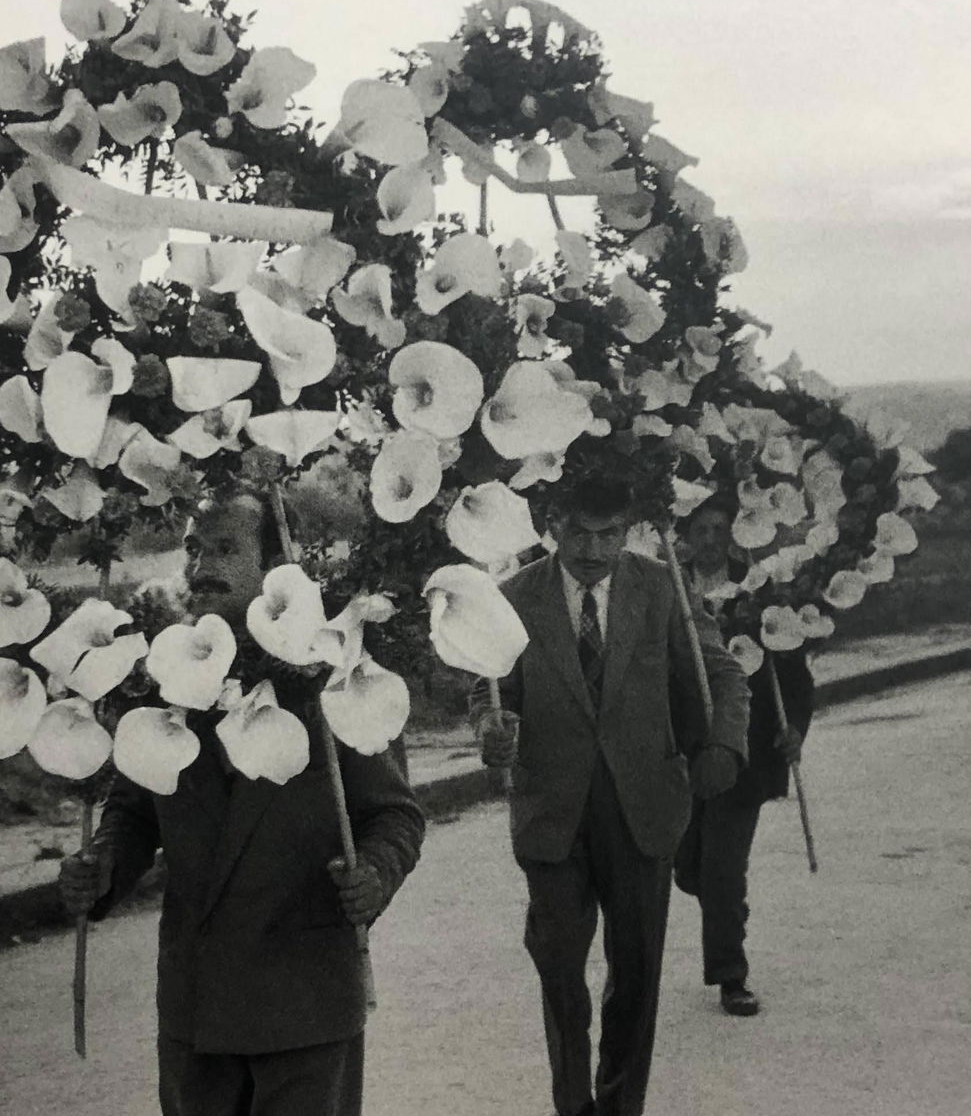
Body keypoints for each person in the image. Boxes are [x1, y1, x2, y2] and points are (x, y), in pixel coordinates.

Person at [59, 492, 425, 1116]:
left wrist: (374, 874)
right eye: (194, 549)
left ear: (274, 567)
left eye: (226, 548)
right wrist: (102, 867)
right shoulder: (167, 677)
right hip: (197, 1006)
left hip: (305, 1001)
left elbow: (395, 814)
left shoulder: (331, 673)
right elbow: (133, 811)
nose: (202, 566)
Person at [477, 478, 751, 1116]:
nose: (595, 550)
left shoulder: (662, 588)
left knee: (636, 973)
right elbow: (492, 693)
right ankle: (572, 1105)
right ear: (553, 523)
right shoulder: (513, 598)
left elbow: (722, 673)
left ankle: (621, 1105)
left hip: (643, 812)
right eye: (580, 532)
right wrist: (492, 729)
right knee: (558, 969)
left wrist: (723, 744)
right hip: (552, 815)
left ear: (630, 529)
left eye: (611, 534)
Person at [671, 500, 815, 1018]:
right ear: (685, 535)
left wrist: (794, 728)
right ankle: (723, 902)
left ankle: (730, 974)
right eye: (701, 529)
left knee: (723, 868)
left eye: (719, 528)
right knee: (689, 867)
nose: (711, 539)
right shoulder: (667, 586)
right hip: (680, 748)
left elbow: (794, 674)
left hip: (743, 748)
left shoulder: (756, 589)